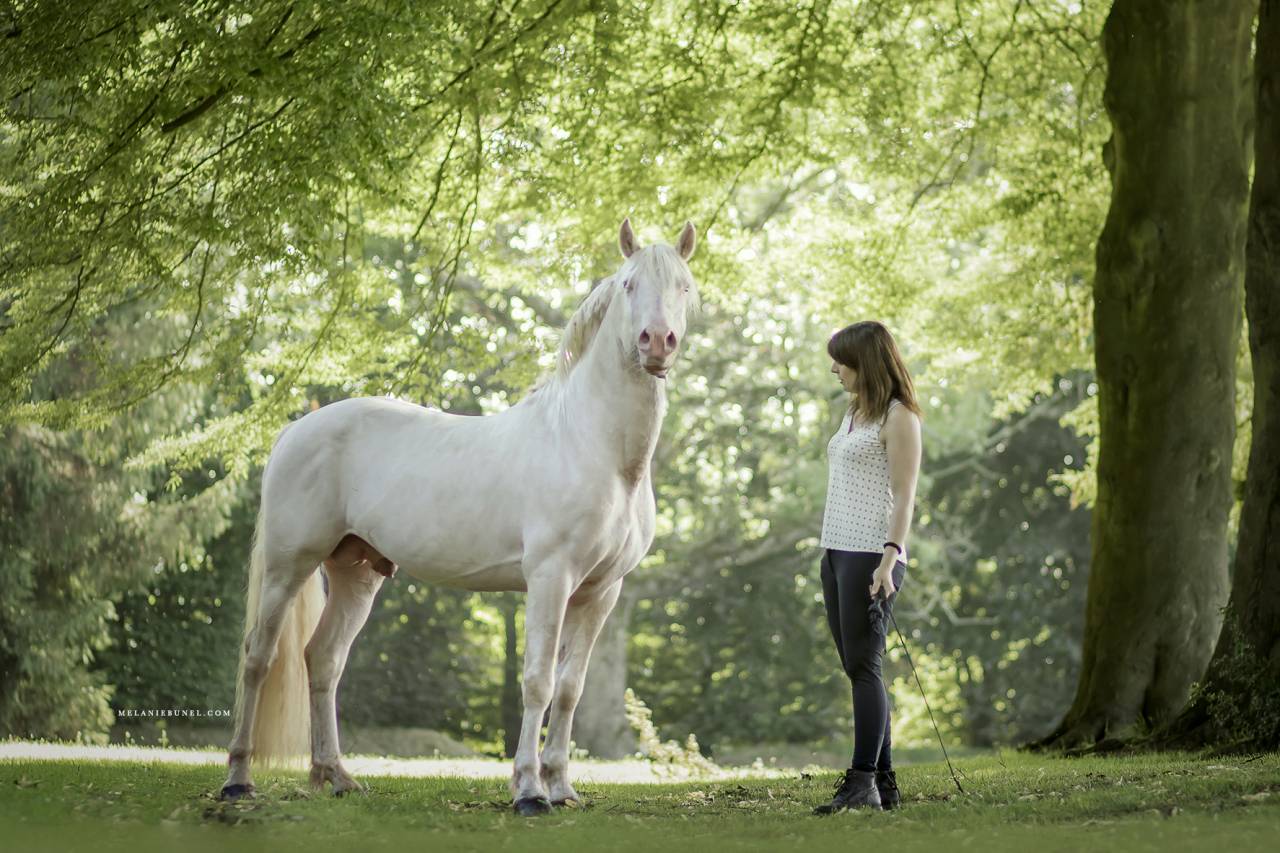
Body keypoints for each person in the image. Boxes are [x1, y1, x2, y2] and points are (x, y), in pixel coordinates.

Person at [812, 320, 923, 814]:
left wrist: (889, 558)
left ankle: (861, 782)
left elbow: (904, 497)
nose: (834, 368)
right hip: (836, 552)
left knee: (864, 667)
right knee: (857, 667)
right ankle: (885, 784)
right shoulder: (854, 413)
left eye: (842, 360)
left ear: (866, 363)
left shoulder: (899, 417)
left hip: (872, 556)